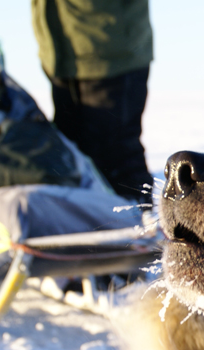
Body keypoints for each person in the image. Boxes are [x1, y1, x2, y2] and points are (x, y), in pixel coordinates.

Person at [31, 0, 153, 205]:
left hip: (111, 51)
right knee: (72, 156)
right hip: (61, 54)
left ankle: (141, 224)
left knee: (116, 156)